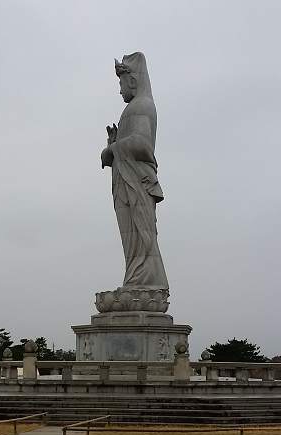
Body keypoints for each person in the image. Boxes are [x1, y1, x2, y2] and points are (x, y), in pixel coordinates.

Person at [100, 52, 169, 290]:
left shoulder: (142, 105)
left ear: (132, 81)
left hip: (137, 183)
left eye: (121, 84)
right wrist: (114, 145)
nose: (120, 90)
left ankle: (146, 280)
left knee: (143, 237)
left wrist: (112, 150)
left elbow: (142, 143)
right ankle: (136, 280)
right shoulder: (134, 107)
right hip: (127, 181)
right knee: (133, 243)